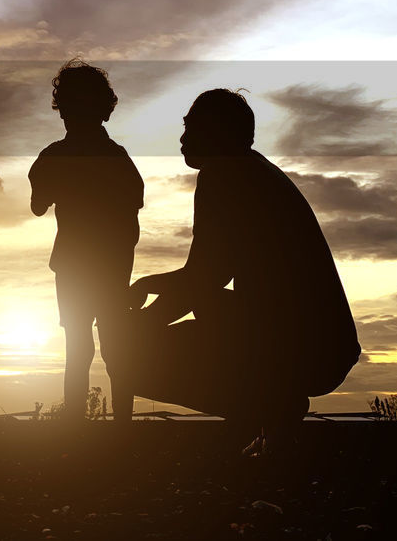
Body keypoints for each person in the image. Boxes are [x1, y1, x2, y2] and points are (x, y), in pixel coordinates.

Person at [125, 88, 360, 450]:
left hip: (306, 347)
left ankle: (268, 413)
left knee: (137, 359)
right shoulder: (249, 171)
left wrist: (139, 329)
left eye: (192, 128)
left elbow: (203, 278)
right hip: (322, 343)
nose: (183, 138)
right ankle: (269, 419)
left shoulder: (225, 177)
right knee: (209, 309)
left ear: (219, 133)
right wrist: (150, 287)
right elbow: (204, 276)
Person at [29, 59, 144, 422]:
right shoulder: (117, 157)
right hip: (107, 264)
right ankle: (118, 425)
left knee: (80, 348)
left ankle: (77, 427)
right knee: (113, 348)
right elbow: (133, 209)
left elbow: (37, 206)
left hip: (78, 265)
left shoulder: (53, 156)